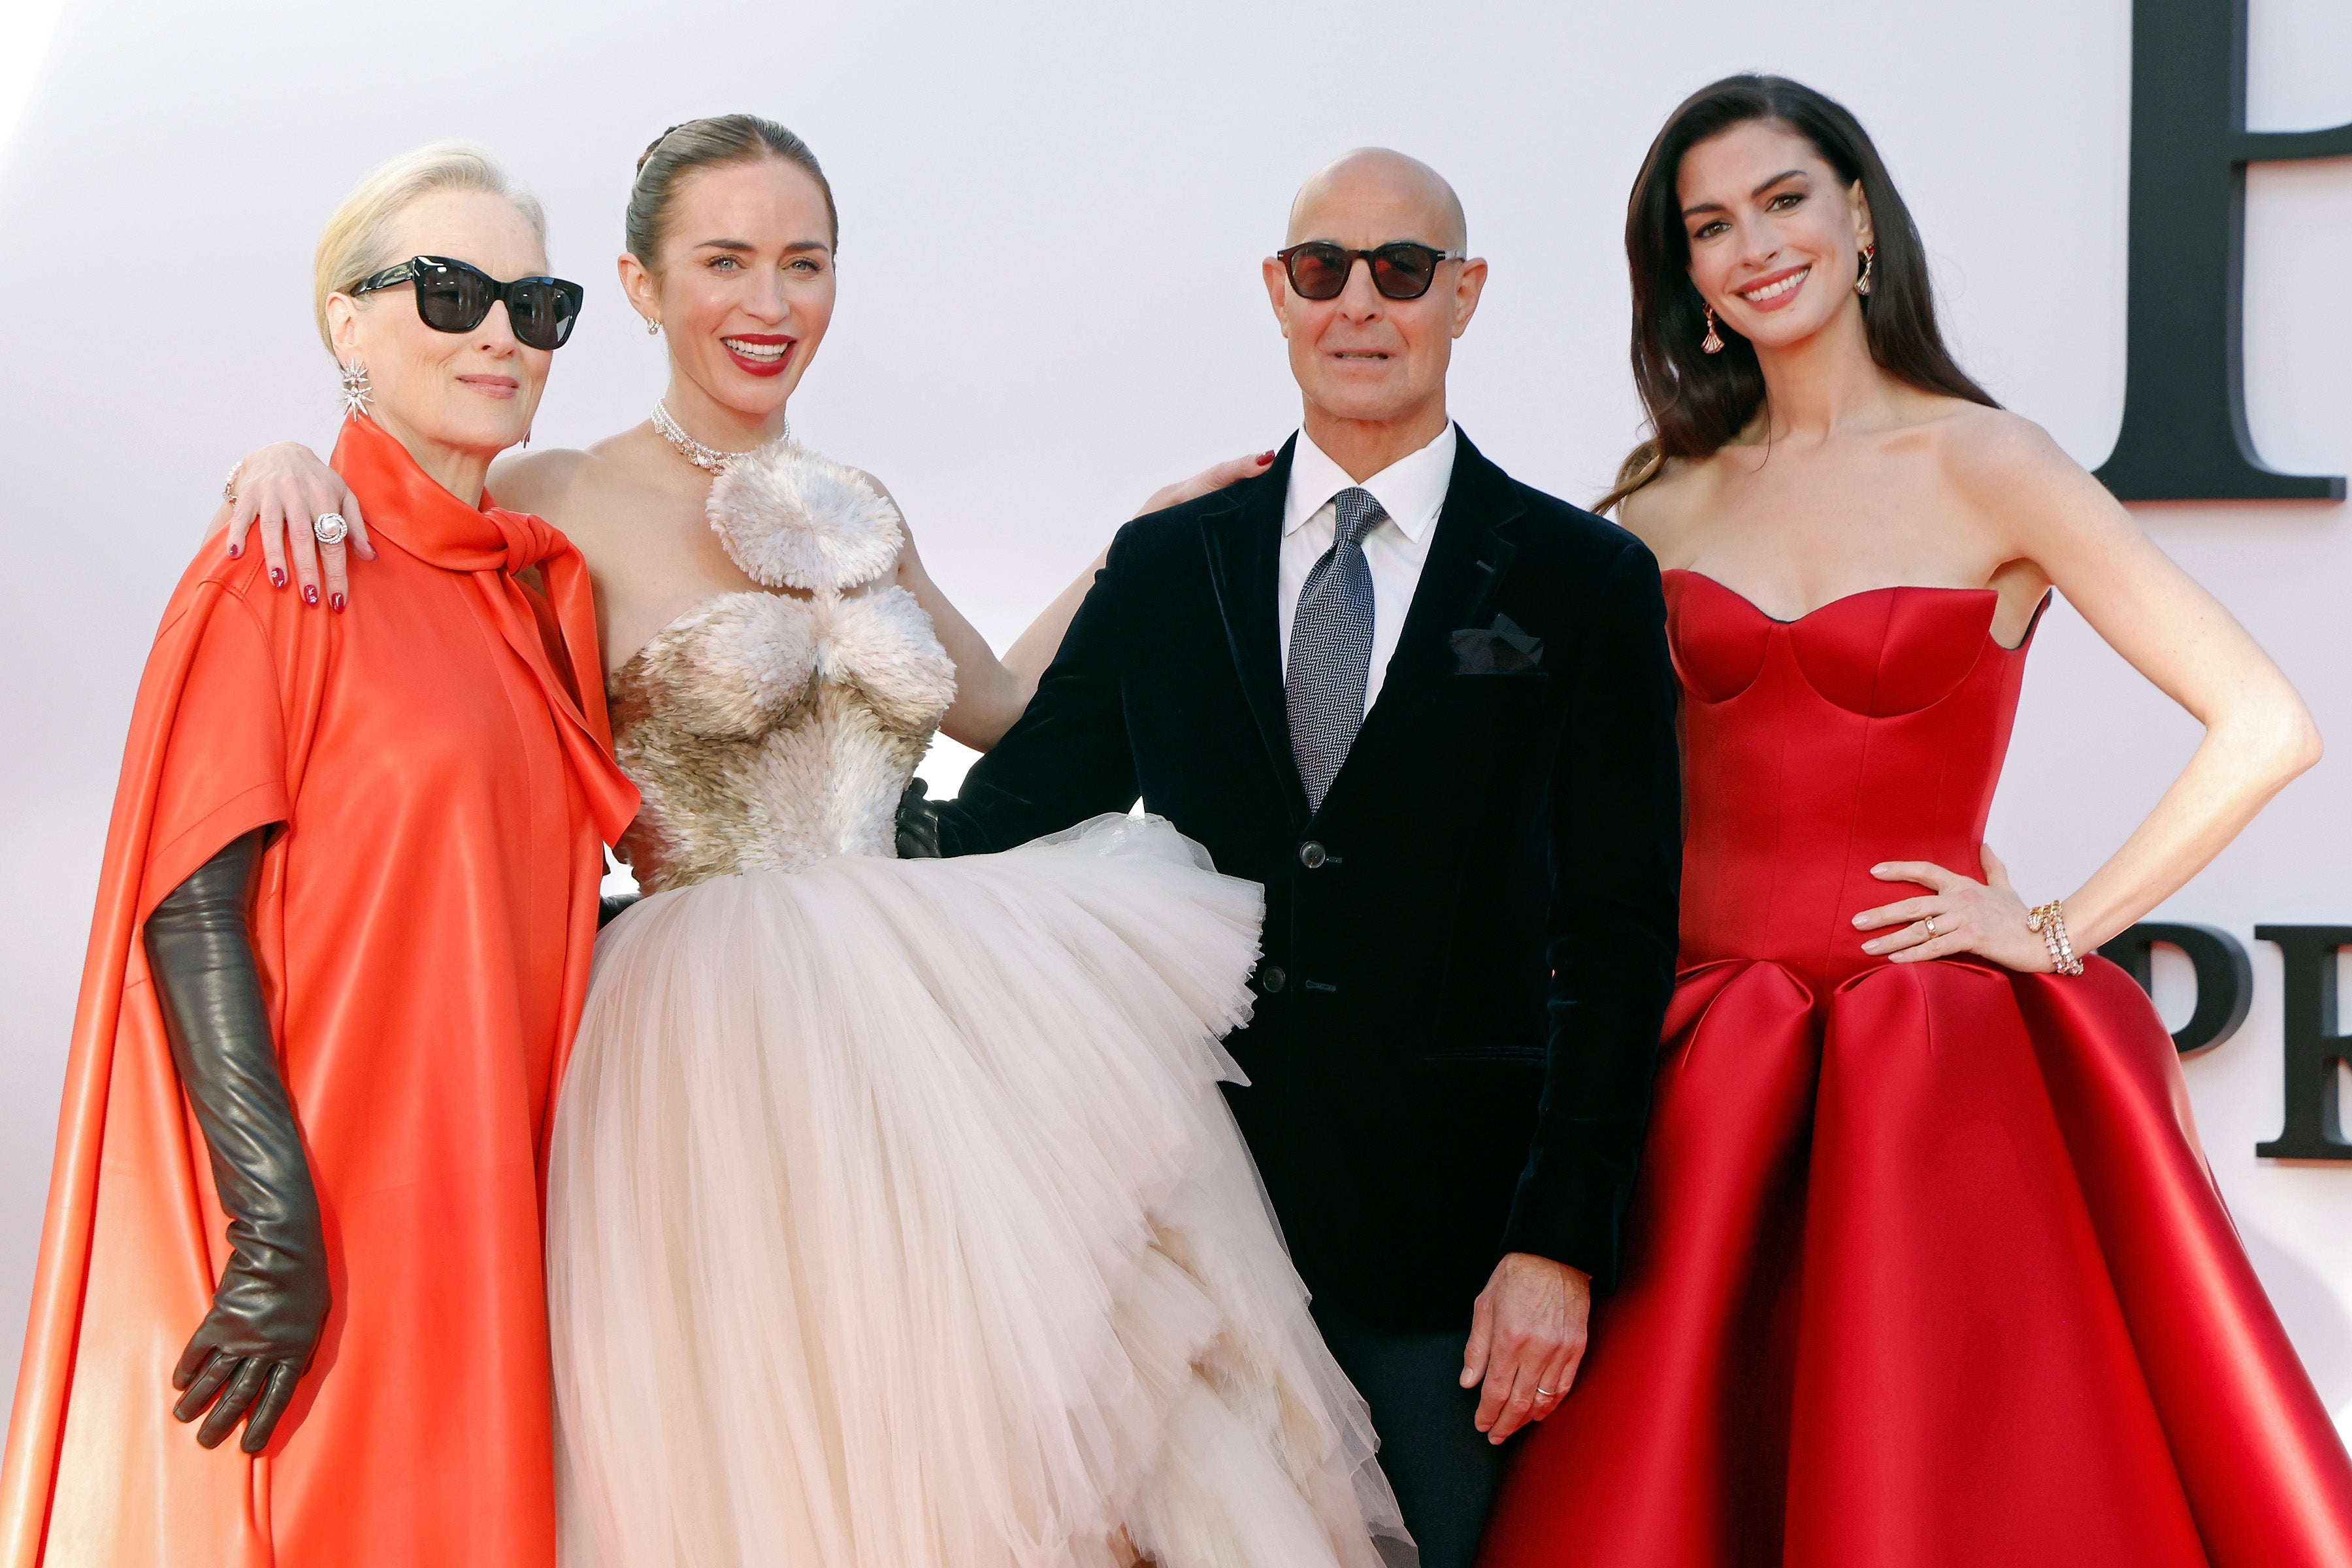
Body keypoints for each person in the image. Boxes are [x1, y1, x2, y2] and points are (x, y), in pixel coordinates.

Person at [213, 116, 1409, 1568]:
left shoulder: (863, 506)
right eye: (725, 261)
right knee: (787, 1445)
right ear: (641, 286)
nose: (769, 303)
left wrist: (1130, 548)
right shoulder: (555, 497)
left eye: (805, 263)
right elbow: (411, 545)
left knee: (1053, 1420)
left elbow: (999, 706)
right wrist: (288, 461)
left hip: (929, 1010)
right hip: (709, 1038)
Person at [1475, 74, 2352, 1568]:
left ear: (1862, 215)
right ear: (1685, 275)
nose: (1756, 245)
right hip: (1698, 1086)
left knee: (1928, 1490)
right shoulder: (1657, 505)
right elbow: (1545, 795)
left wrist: (2058, 926)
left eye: (1785, 199)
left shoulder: (1990, 463)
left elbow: (2267, 724)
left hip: (1923, 1078)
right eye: (1710, 225)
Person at [900, 148, 1684, 1568]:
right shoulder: (1166, 567)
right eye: (1324, 268)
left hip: (1454, 1259)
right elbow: (1005, 827)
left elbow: (1618, 932)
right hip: (1194, 1236)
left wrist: (1559, 1243)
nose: (1359, 305)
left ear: (1465, 295)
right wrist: (774, 842)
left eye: (1404, 270)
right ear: (1279, 292)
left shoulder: (1585, 581)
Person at [0, 146, 639, 1567]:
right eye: (451, 291)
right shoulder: (283, 564)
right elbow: (190, 902)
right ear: (346, 322)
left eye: (536, 305)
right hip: (337, 1215)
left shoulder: (525, 594)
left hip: (495, 1209)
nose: (500, 333)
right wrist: (275, 1231)